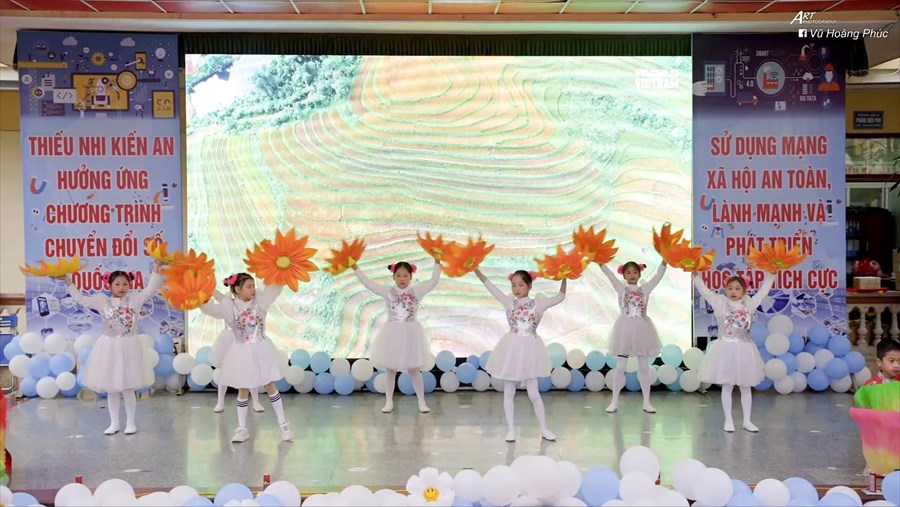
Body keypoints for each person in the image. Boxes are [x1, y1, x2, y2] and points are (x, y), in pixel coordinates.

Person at [474, 268, 565, 442]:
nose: (516, 288)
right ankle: (511, 430)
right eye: (513, 285)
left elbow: (560, 297)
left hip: (530, 351)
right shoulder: (509, 302)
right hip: (512, 351)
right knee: (509, 392)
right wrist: (478, 272)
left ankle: (544, 429)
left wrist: (565, 276)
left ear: (529, 285)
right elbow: (491, 288)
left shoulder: (538, 304)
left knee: (534, 394)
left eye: (521, 284)